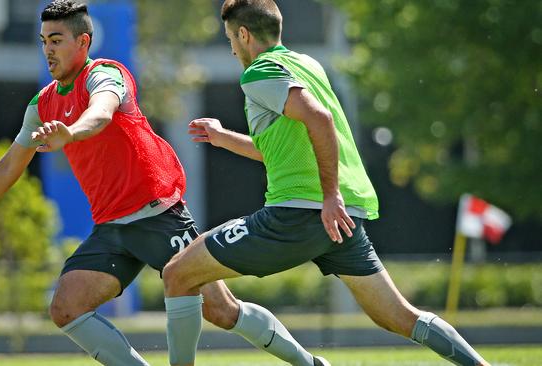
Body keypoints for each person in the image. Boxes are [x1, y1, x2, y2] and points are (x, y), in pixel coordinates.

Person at [0, 1, 326, 365]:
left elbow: (101, 112)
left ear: (84, 41)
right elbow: (8, 167)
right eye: (44, 40)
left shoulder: (107, 75)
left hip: (159, 214)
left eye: (57, 40)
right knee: (66, 307)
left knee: (221, 311)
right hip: (113, 228)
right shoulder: (42, 103)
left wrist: (72, 133)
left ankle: (309, 364)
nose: (48, 50)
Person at [161, 1, 492, 366]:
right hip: (341, 216)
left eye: (230, 39)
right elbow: (286, 147)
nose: (231, 48)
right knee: (398, 316)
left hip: (300, 214)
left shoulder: (259, 71)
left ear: (244, 34)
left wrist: (328, 195)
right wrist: (224, 137)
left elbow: (320, 120)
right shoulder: (307, 65)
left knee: (178, 273)